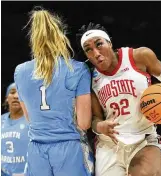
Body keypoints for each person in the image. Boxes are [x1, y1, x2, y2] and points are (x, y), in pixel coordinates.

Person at [76, 22, 161, 176]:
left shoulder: (139, 56)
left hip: (143, 139)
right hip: (109, 146)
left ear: (109, 42)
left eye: (99, 44)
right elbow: (95, 118)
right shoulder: (90, 78)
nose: (96, 53)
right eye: (88, 50)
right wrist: (100, 126)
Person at [14, 8, 94, 176]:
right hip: (69, 148)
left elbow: (29, 118)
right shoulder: (77, 69)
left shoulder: (20, 72)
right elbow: (84, 122)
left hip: (36, 150)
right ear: (61, 37)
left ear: (33, 39)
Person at [1, 82, 29, 176]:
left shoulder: (33, 121)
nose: (16, 96)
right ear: (6, 98)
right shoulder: (1, 120)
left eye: (20, 93)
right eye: (12, 92)